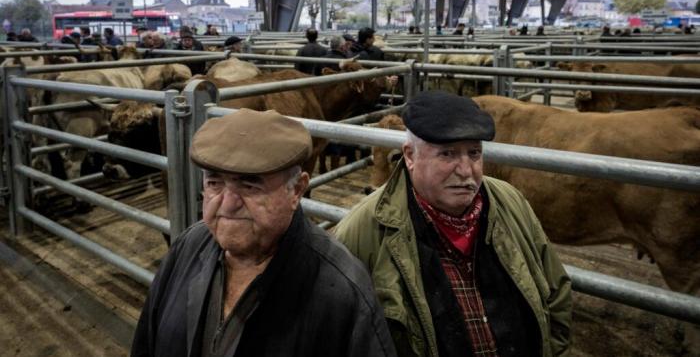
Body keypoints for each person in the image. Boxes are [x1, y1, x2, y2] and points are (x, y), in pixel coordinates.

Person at [131, 109, 397, 357]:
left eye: (249, 185)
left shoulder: (342, 289)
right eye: (214, 183)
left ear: (297, 190)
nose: (227, 203)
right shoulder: (188, 247)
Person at [335, 90, 572, 357]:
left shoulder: (510, 201)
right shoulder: (362, 230)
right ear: (410, 156)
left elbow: (556, 292)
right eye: (447, 154)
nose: (466, 170)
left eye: (474, 153)